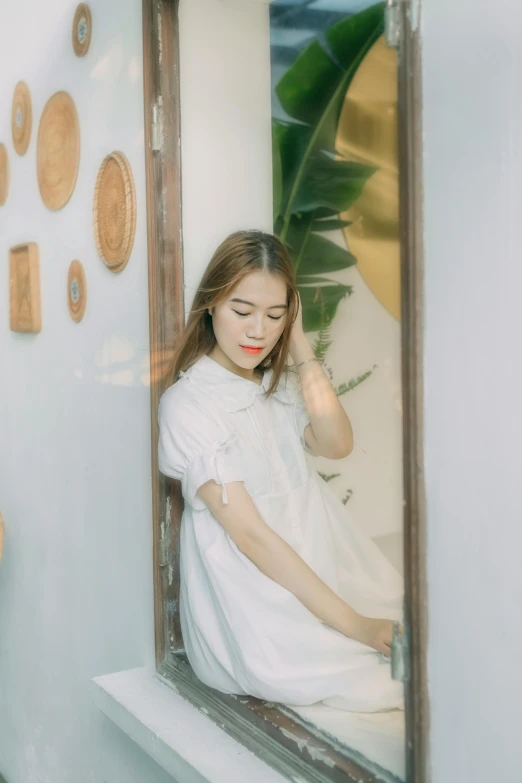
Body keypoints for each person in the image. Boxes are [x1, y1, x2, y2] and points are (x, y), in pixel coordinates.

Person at [158, 229, 405, 712]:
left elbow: (337, 444)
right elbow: (251, 536)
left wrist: (302, 350)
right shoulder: (187, 404)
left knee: (424, 648)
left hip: (322, 576)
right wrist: (354, 623)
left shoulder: (282, 386)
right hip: (252, 606)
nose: (257, 331)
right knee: (392, 683)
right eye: (242, 311)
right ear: (210, 304)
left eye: (274, 315)